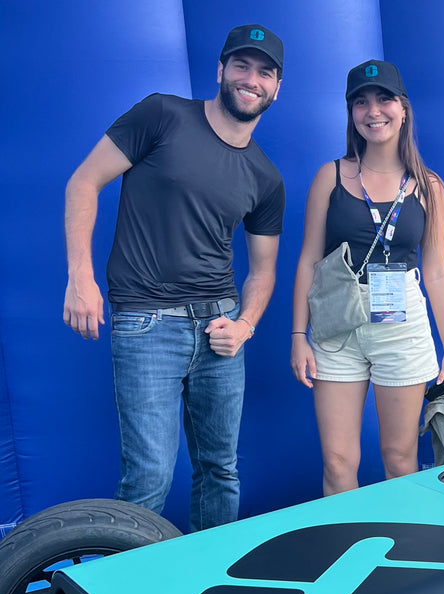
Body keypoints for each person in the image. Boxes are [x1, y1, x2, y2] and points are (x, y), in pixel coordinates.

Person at [62, 24, 286, 530]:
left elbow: (264, 271)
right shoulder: (162, 115)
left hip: (221, 331)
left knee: (220, 470)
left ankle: (207, 577)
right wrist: (80, 275)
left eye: (265, 72)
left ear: (276, 88)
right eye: (242, 66)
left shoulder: (266, 177)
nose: (252, 79)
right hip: (146, 326)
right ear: (221, 70)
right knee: (148, 479)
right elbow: (83, 182)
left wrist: (245, 324)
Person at [290, 59, 444, 495]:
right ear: (351, 114)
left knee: (399, 458)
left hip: (402, 327)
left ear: (403, 108)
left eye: (384, 99)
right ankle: (346, 552)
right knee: (337, 461)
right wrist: (297, 335)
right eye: (361, 102)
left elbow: (438, 272)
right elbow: (309, 258)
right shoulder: (330, 176)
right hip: (337, 326)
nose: (373, 111)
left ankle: (404, 553)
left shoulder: (429, 187)